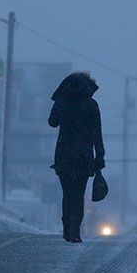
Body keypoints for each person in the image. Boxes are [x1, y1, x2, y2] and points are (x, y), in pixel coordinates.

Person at [48, 72, 105, 243]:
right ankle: (75, 231)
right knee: (79, 194)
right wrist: (100, 156)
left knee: (67, 194)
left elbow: (52, 122)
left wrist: (60, 105)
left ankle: (66, 228)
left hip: (64, 155)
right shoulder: (91, 105)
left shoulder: (62, 103)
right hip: (84, 155)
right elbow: (97, 133)